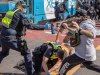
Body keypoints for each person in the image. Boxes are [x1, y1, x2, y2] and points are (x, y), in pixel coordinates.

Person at [58, 9, 100, 75]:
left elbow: (92, 35)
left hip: (83, 54)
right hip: (87, 53)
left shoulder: (87, 24)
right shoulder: (83, 23)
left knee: (65, 62)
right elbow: (67, 39)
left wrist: (79, 29)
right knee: (89, 65)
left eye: (77, 17)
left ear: (82, 17)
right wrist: (68, 29)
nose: (76, 19)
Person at [0, 0, 34, 75]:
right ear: (19, 6)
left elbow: (11, 24)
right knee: (27, 53)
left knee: (4, 53)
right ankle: (31, 73)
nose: (24, 8)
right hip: (11, 38)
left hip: (2, 36)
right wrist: (44, 26)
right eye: (23, 7)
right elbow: (30, 26)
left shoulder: (10, 12)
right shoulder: (20, 14)